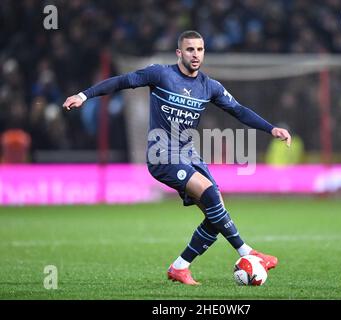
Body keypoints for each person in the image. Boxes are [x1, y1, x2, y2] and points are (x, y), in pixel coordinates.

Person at [63, 30, 292, 285]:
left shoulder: (209, 86)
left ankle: (180, 267)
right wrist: (84, 95)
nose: (195, 55)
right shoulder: (161, 74)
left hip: (188, 154)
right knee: (210, 193)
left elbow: (239, 111)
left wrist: (271, 128)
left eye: (200, 50)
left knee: (216, 215)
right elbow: (121, 81)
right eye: (190, 50)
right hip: (161, 154)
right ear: (179, 52)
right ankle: (247, 252)